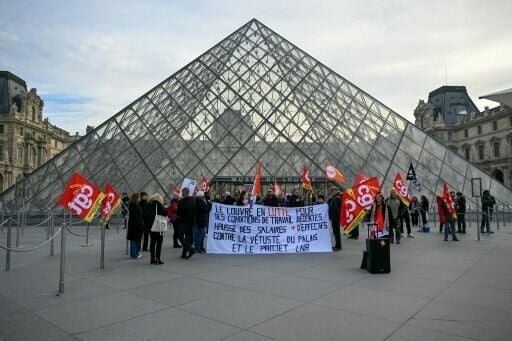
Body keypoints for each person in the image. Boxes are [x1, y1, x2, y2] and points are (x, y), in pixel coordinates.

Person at [147, 193, 167, 264]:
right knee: (159, 242)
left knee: (152, 242)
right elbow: (165, 213)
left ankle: (152, 258)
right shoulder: (159, 205)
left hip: (151, 226)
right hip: (159, 226)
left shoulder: (149, 205)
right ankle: (158, 258)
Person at [177, 187, 196, 259]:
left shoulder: (182, 201)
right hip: (191, 222)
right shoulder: (193, 200)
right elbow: (195, 211)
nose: (181, 193)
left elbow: (178, 212)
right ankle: (184, 253)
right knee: (188, 238)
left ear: (185, 192)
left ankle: (190, 248)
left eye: (182, 192)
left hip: (184, 222)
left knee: (180, 235)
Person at [127, 193, 144, 258]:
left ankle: (136, 253)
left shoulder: (134, 204)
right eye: (139, 197)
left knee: (135, 240)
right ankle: (134, 254)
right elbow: (135, 217)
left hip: (135, 225)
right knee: (134, 240)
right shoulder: (134, 205)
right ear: (136, 198)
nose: (140, 198)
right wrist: (139, 225)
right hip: (135, 226)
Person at [328, 187, 342, 251]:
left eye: (333, 191)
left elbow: (335, 207)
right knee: (335, 232)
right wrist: (330, 200)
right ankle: (337, 245)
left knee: (337, 233)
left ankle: (338, 246)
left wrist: (330, 206)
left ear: (336, 191)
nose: (332, 192)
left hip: (336, 217)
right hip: (334, 217)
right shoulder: (334, 197)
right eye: (331, 191)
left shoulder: (337, 198)